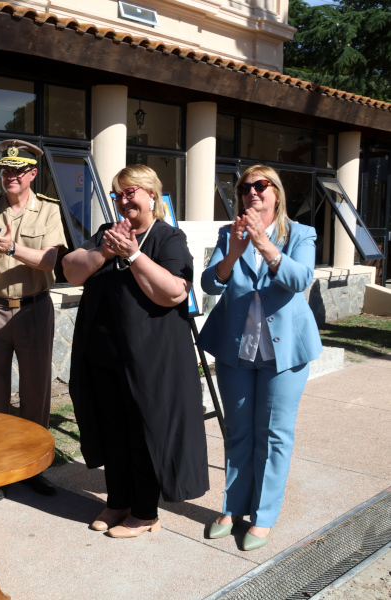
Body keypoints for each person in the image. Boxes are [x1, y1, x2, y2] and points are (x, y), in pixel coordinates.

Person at [62, 165, 208, 538]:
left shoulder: (168, 237)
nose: (123, 199)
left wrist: (133, 255)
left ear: (152, 196)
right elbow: (70, 270)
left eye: (131, 192)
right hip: (103, 356)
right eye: (118, 194)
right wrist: (105, 251)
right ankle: (118, 500)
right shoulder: (105, 235)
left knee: (143, 432)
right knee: (112, 430)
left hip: (149, 360)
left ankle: (145, 512)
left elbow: (174, 291)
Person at [197, 165, 322, 551]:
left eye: (261, 185)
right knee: (239, 430)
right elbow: (210, 283)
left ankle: (264, 515)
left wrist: (264, 244)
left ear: (276, 193)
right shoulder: (227, 232)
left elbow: (301, 280)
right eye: (245, 186)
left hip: (285, 350)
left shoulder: (300, 234)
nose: (252, 191)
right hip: (238, 346)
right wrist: (233, 252)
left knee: (274, 434)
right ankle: (233, 506)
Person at [0, 139, 68, 501]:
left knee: (36, 391)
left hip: (34, 308)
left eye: (18, 171)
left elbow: (51, 261)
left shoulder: (49, 211)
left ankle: (33, 467)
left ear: (32, 174)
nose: (10, 176)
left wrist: (8, 247)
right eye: (5, 170)